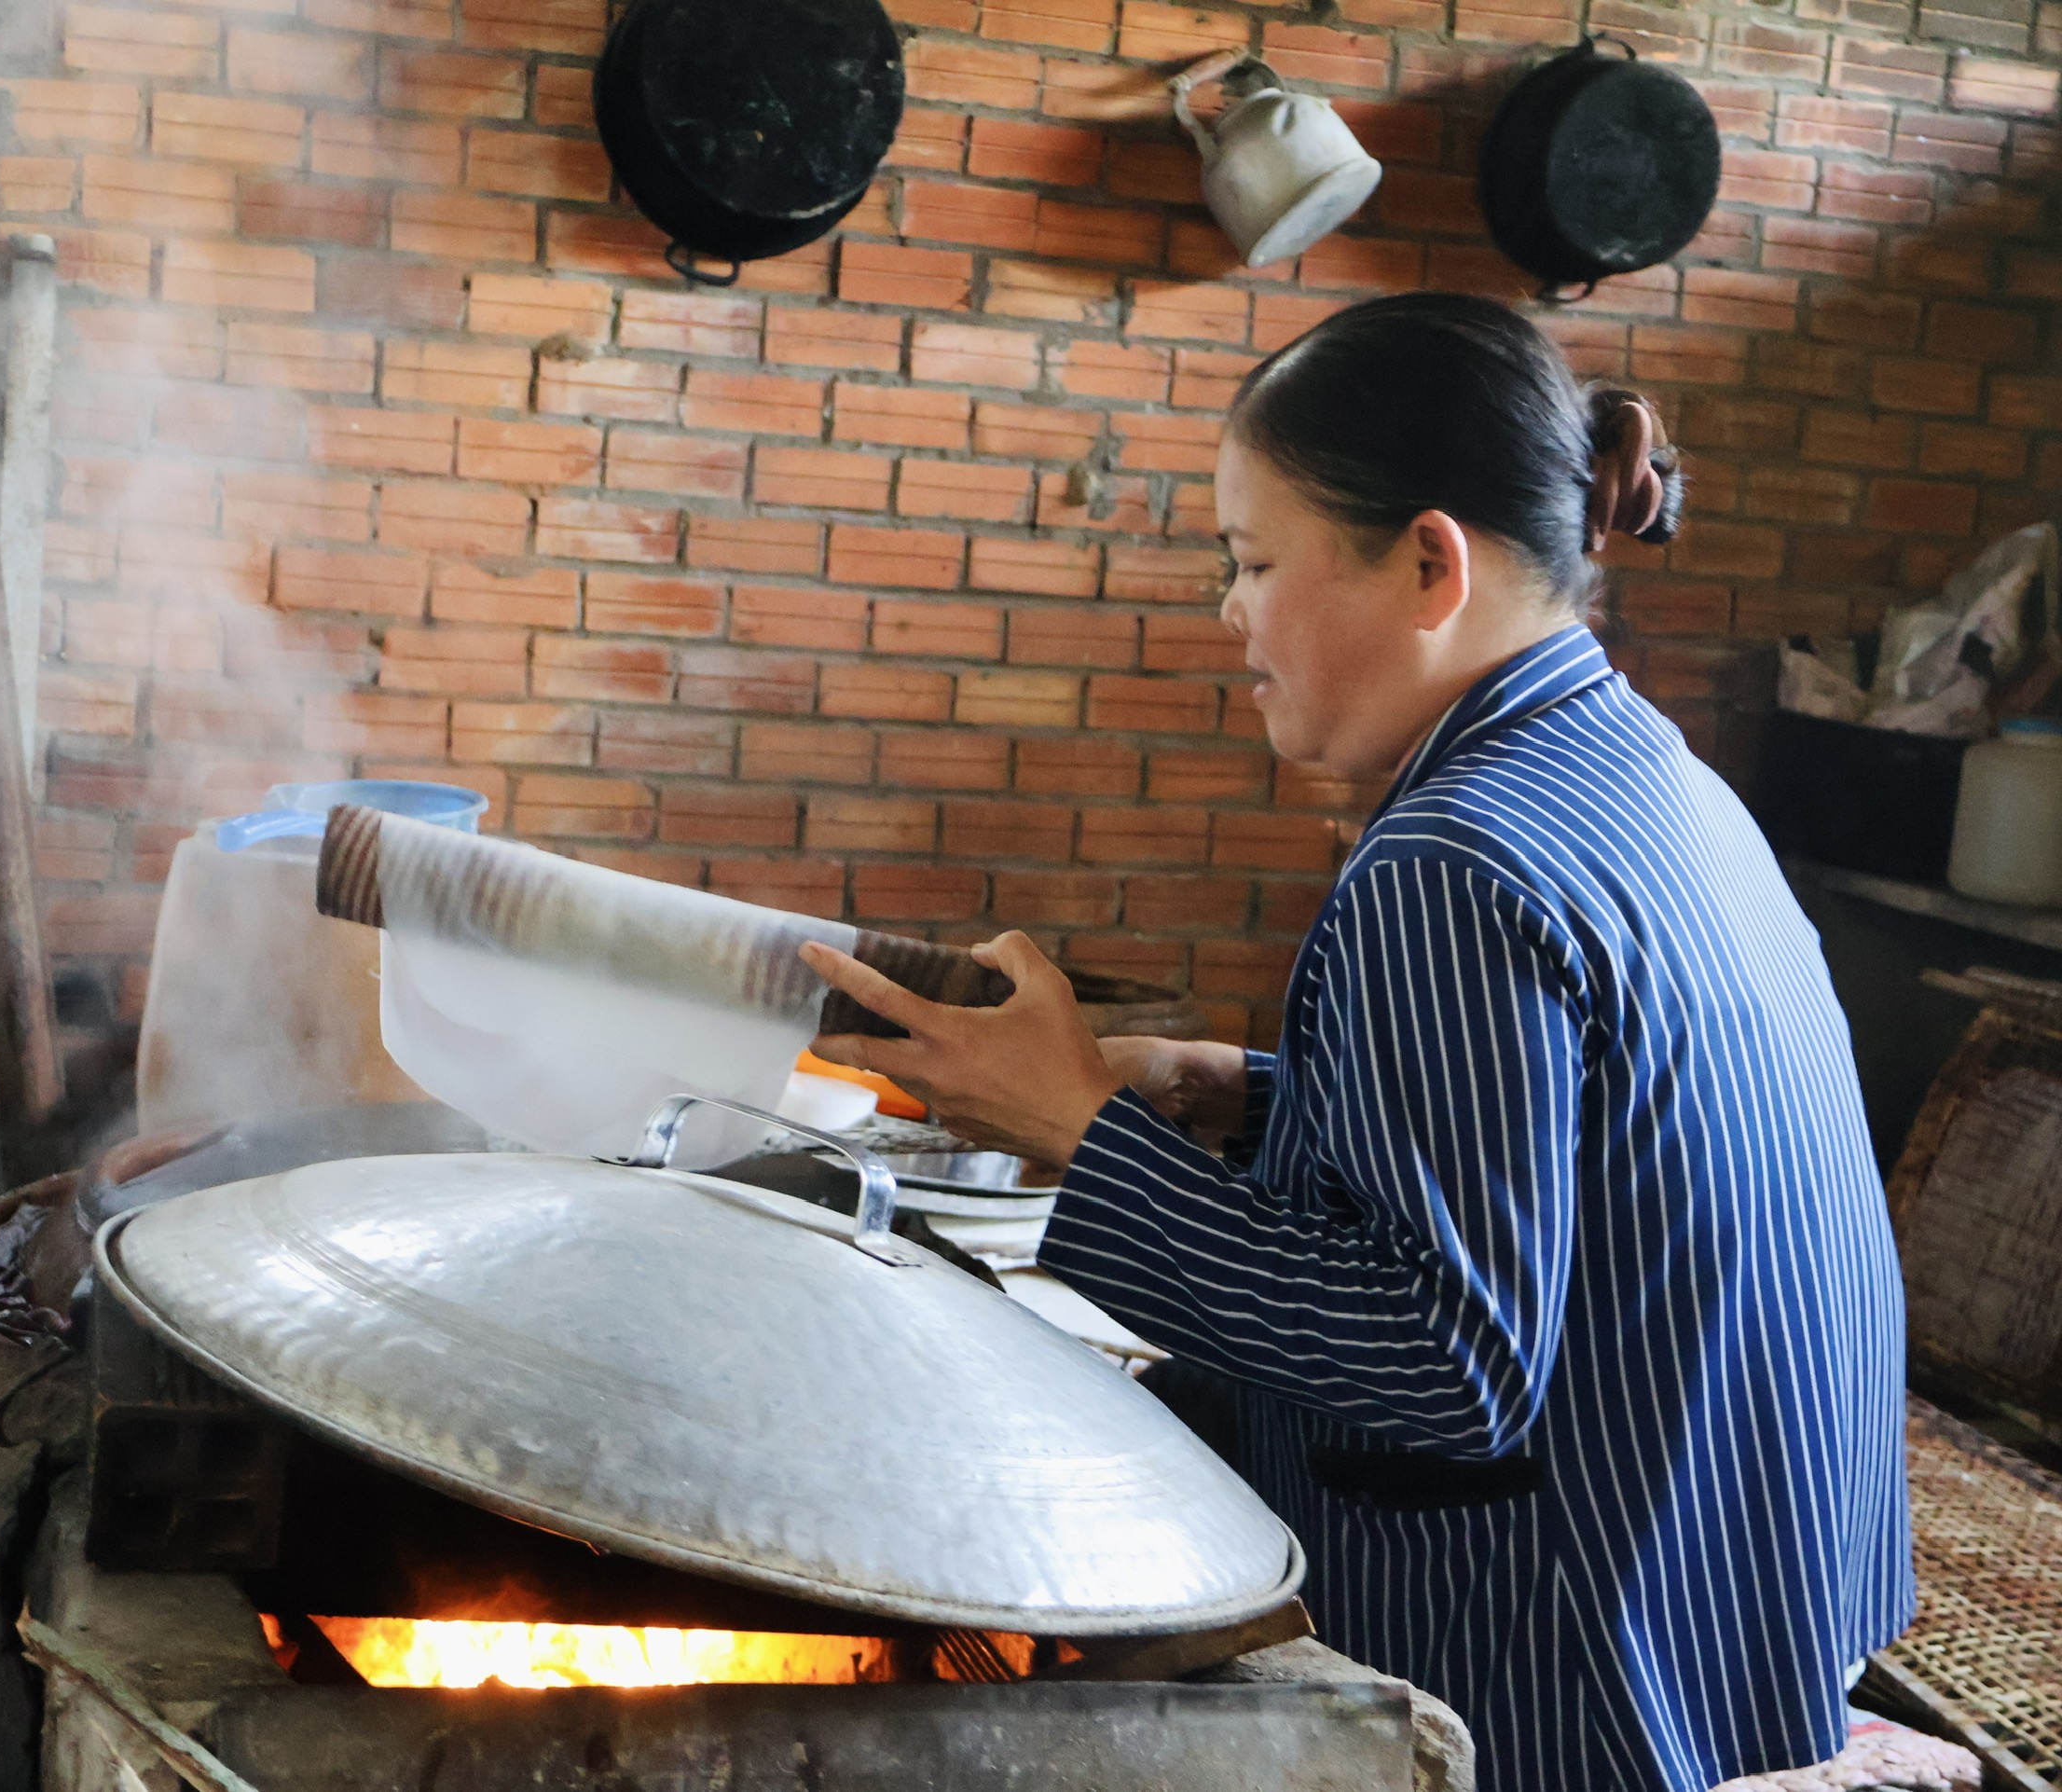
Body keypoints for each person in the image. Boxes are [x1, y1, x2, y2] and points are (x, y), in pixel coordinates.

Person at [801, 292, 1913, 1792]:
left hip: (1588, 1685)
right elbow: (1570, 1163)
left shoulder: (1450, 861)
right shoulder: (1647, 769)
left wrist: (1079, 1129)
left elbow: (1449, 1361)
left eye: (1254, 562)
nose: (1227, 610)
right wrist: (1256, 1096)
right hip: (1754, 1621)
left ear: (1429, 565)